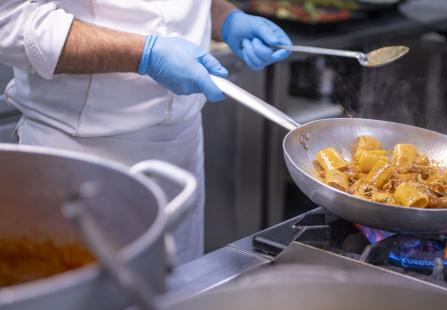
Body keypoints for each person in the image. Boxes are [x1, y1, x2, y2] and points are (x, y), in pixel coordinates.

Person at [0, 0, 292, 265]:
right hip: (79, 159)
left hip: (183, 150)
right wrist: (144, 54)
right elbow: (9, 22)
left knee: (180, 291)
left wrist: (226, 18)